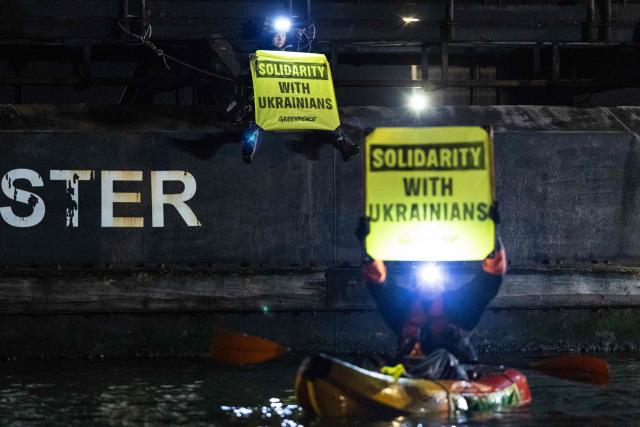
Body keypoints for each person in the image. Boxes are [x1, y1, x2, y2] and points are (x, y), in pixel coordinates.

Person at [355, 212, 506, 380]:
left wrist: (494, 235)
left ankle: (410, 380)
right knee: (369, 360)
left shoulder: (461, 304)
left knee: (441, 357)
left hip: (450, 371)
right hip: (407, 367)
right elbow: (378, 282)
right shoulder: (402, 306)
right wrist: (367, 246)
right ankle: (396, 383)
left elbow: (489, 280)